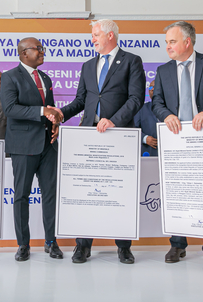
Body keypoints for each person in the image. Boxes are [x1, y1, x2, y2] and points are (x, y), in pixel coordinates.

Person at [51, 19, 145, 264]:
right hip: (88, 135)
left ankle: (124, 247)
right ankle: (83, 246)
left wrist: (113, 120)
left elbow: (136, 99)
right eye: (92, 35)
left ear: (110, 36)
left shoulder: (132, 61)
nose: (92, 39)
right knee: (86, 191)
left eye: (95, 35)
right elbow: (81, 100)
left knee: (120, 191)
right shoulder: (87, 65)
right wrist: (61, 114)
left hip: (119, 133)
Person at [152, 21, 203, 272]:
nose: (167, 46)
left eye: (172, 41)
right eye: (166, 42)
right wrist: (166, 114)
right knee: (177, 194)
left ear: (187, 42)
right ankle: (178, 244)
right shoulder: (163, 70)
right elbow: (156, 101)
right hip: (176, 140)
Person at [1, 37, 63, 262]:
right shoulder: (10, 77)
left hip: (48, 145)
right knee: (22, 196)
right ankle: (23, 244)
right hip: (23, 146)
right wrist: (41, 110)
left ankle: (51, 241)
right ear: (23, 53)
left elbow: (51, 110)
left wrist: (55, 123)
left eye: (42, 48)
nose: (42, 52)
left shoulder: (45, 77)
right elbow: (10, 108)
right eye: (37, 49)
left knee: (50, 195)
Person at [135, 80, 158, 156]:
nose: (152, 89)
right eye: (150, 87)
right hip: (148, 153)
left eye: (155, 86)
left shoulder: (172, 108)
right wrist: (144, 138)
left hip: (170, 155)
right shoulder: (141, 108)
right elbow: (133, 128)